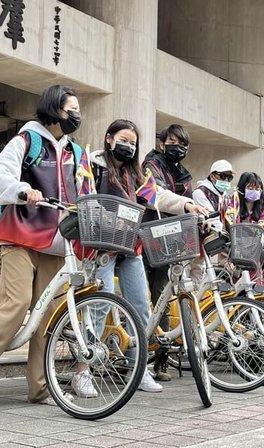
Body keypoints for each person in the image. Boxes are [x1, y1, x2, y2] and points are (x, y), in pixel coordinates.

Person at [0, 85, 92, 404]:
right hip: (19, 234)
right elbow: (0, 173)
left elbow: (85, 191)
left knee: (49, 314)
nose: (77, 115)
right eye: (71, 109)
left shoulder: (76, 153)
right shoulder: (29, 140)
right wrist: (23, 190)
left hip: (56, 241)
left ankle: (41, 387)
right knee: (18, 300)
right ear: (54, 109)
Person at [89, 119, 207, 392]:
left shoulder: (135, 176)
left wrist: (187, 204)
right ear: (109, 139)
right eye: (123, 140)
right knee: (99, 304)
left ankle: (138, 369)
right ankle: (85, 369)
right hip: (102, 244)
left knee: (141, 307)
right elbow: (83, 196)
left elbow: (158, 195)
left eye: (133, 143)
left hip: (131, 247)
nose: (128, 146)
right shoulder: (94, 166)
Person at [141, 124, 194, 380]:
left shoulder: (184, 175)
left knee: (163, 299)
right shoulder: (151, 165)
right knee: (140, 298)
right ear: (162, 143)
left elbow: (191, 205)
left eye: (182, 143)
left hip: (169, 243)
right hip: (145, 236)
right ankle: (135, 356)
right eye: (172, 141)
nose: (177, 147)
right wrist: (183, 204)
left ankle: (161, 361)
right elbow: (154, 194)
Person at [192, 159, 234, 231]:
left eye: (230, 177)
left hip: (221, 237)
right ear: (212, 177)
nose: (226, 180)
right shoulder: (200, 193)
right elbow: (212, 222)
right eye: (223, 176)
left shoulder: (225, 195)